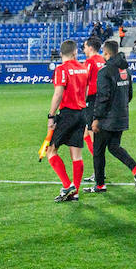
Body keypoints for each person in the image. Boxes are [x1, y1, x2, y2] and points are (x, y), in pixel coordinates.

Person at [87, 40, 136, 193]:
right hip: (122, 116)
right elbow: (129, 94)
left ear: (106, 53)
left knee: (98, 151)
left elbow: (102, 97)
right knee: (113, 147)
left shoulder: (105, 71)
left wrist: (96, 118)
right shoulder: (125, 70)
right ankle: (135, 169)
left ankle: (99, 185)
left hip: (107, 119)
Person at [44, 40, 91, 203]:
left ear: (62, 53)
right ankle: (75, 192)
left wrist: (51, 116)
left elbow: (58, 94)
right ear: (75, 52)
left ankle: (67, 185)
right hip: (82, 113)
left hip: (68, 114)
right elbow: (85, 91)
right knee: (76, 155)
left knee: (50, 151)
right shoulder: (83, 68)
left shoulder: (61, 69)